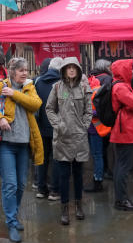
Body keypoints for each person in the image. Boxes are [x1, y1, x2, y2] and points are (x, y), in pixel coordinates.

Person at [0, 57, 43, 243]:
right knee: (10, 184)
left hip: (23, 144)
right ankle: (12, 222)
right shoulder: (1, 86)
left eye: (27, 70)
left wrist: (14, 95)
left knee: (22, 184)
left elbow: (36, 104)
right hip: (6, 144)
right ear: (12, 71)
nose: (25, 73)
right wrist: (0, 118)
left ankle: (13, 215)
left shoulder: (29, 87)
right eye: (21, 70)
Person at [45, 57, 92, 225]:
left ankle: (79, 205)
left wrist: (84, 126)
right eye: (68, 67)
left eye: (74, 67)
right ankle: (64, 208)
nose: (71, 70)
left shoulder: (85, 87)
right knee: (64, 175)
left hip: (79, 138)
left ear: (78, 70)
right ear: (63, 70)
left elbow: (89, 111)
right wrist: (58, 125)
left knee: (79, 175)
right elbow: (49, 108)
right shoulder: (57, 88)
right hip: (63, 138)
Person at [110, 58, 133, 211]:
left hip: (122, 130)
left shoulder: (120, 85)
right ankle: (122, 200)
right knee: (124, 167)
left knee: (121, 165)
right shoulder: (121, 87)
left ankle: (120, 199)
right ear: (123, 70)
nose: (132, 72)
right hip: (126, 131)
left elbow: (131, 101)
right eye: (130, 68)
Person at [33, 57, 62, 201]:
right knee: (56, 158)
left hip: (40, 125)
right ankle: (54, 191)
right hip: (57, 127)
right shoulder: (63, 83)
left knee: (42, 158)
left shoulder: (38, 82)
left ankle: (41, 189)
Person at [85, 59, 113, 192]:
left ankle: (98, 181)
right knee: (98, 154)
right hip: (95, 126)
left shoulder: (95, 85)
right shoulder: (104, 81)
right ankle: (99, 178)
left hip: (96, 127)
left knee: (97, 154)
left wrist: (88, 112)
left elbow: (97, 107)